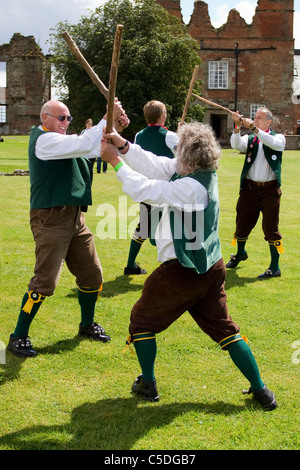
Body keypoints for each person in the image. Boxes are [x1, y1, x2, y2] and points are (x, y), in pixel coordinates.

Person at [100, 122, 278, 411]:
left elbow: (146, 189)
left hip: (182, 270)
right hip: (210, 266)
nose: (175, 156)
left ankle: (148, 384)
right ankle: (262, 392)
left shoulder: (191, 188)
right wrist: (123, 145)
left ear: (188, 158)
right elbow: (156, 164)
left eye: (179, 151)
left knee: (142, 320)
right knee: (226, 330)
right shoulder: (201, 173)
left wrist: (115, 162)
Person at [7, 99, 129, 358]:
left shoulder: (63, 141)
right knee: (44, 282)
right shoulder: (44, 140)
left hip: (74, 218)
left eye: (68, 118)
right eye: (61, 118)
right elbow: (84, 143)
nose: (65, 122)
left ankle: (86, 325)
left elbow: (92, 145)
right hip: (50, 218)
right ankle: (18, 336)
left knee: (92, 276)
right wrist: (109, 116)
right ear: (45, 118)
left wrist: (112, 125)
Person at [226, 107, 286, 279]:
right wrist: (237, 127)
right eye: (255, 117)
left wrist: (254, 128)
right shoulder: (251, 139)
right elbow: (236, 144)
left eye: (259, 117)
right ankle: (240, 253)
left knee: (271, 229)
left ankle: (275, 267)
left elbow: (273, 143)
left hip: (270, 190)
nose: (255, 119)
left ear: (269, 121)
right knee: (242, 224)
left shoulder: (277, 138)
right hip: (249, 189)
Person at [124, 100, 179, 275]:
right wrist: (181, 135)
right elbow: (183, 156)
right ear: (163, 116)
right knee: (167, 228)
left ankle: (130, 264)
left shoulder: (139, 135)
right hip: (165, 188)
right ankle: (171, 264)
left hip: (146, 187)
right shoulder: (169, 136)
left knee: (143, 226)